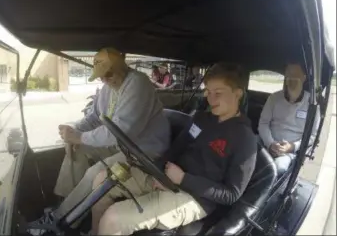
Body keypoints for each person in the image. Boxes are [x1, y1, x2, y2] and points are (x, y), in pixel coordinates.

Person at [90, 63, 258, 235]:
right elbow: (176, 148)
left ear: (238, 94)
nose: (211, 99)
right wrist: (159, 172)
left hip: (195, 199)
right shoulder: (201, 118)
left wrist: (183, 179)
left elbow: (231, 194)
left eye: (218, 93)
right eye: (208, 91)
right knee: (102, 180)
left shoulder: (245, 139)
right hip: (168, 178)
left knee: (113, 219)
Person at [53, 47, 171, 219]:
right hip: (122, 146)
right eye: (101, 76)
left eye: (109, 74)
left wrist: (79, 137)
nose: (105, 80)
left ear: (122, 69)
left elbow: (122, 130)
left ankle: (60, 220)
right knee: (77, 149)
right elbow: (95, 117)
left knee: (95, 173)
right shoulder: (109, 86)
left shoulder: (138, 84)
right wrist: (75, 131)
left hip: (144, 153)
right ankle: (67, 205)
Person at [258, 63, 320, 175]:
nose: (292, 79)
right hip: (266, 143)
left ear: (304, 78)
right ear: (285, 79)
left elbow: (312, 136)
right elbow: (263, 123)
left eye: (296, 75)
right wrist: (270, 143)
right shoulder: (274, 98)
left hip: (289, 151)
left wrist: (292, 147)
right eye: (289, 75)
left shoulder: (312, 105)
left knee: (279, 168)